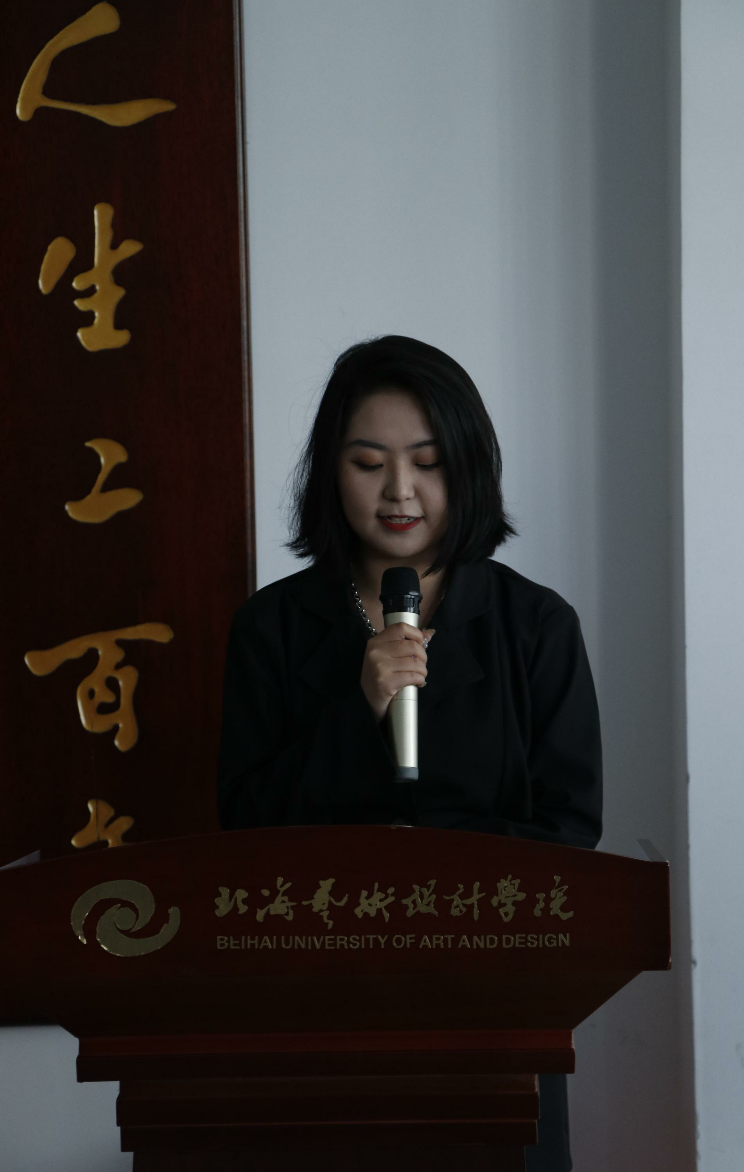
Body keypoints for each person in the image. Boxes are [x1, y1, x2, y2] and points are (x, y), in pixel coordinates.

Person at [217, 334, 602, 1171]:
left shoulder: (537, 627)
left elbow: (571, 833)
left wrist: (420, 869)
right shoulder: (270, 629)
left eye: (427, 463)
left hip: (495, 1003)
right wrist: (356, 713)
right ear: (330, 473)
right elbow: (242, 828)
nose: (399, 490)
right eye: (369, 463)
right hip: (315, 1002)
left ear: (468, 471)